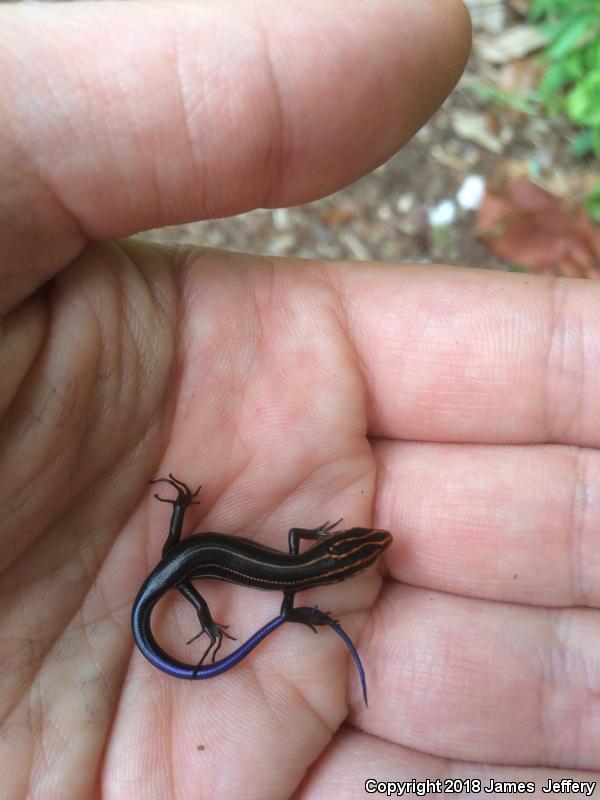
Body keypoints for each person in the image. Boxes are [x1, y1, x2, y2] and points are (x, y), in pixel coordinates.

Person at [1, 1, 598, 797]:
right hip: (174, 566)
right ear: (335, 554)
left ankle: (202, 624)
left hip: (182, 561)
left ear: (337, 553)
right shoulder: (289, 579)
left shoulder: (292, 571)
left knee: (190, 585)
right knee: (190, 591)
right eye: (359, 547)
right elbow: (279, 553)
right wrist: (220, 612)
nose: (364, 545)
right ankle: (204, 627)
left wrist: (214, 590)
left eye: (360, 546)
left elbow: (280, 540)